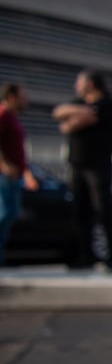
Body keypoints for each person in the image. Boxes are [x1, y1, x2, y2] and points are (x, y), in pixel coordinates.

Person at [53, 70, 112, 272]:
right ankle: (85, 256)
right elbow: (59, 114)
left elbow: (83, 119)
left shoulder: (107, 105)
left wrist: (74, 117)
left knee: (103, 211)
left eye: (80, 82)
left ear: (91, 84)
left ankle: (111, 257)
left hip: (98, 166)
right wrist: (78, 115)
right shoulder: (80, 103)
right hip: (77, 165)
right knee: (80, 212)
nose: (77, 86)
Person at [0, 82, 39, 266]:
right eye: (23, 97)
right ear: (12, 97)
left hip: (14, 177)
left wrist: (26, 173)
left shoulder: (12, 117)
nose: (26, 101)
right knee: (4, 215)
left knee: (9, 215)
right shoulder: (3, 114)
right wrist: (4, 165)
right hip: (4, 177)